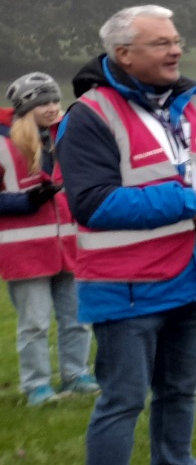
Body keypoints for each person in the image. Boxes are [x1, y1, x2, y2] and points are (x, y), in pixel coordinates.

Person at [56, 5, 196, 465]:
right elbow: (94, 205)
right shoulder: (88, 117)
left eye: (176, 40)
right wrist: (191, 201)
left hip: (193, 276)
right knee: (123, 401)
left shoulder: (195, 101)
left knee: (180, 391)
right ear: (124, 54)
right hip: (126, 289)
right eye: (161, 43)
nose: (176, 50)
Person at [1, 72, 96, 406]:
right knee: (35, 324)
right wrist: (26, 201)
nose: (54, 108)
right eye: (44, 102)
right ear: (27, 107)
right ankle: (37, 386)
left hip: (69, 244)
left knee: (77, 318)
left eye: (56, 100)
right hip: (24, 249)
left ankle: (78, 374)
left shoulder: (66, 137)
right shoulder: (3, 142)